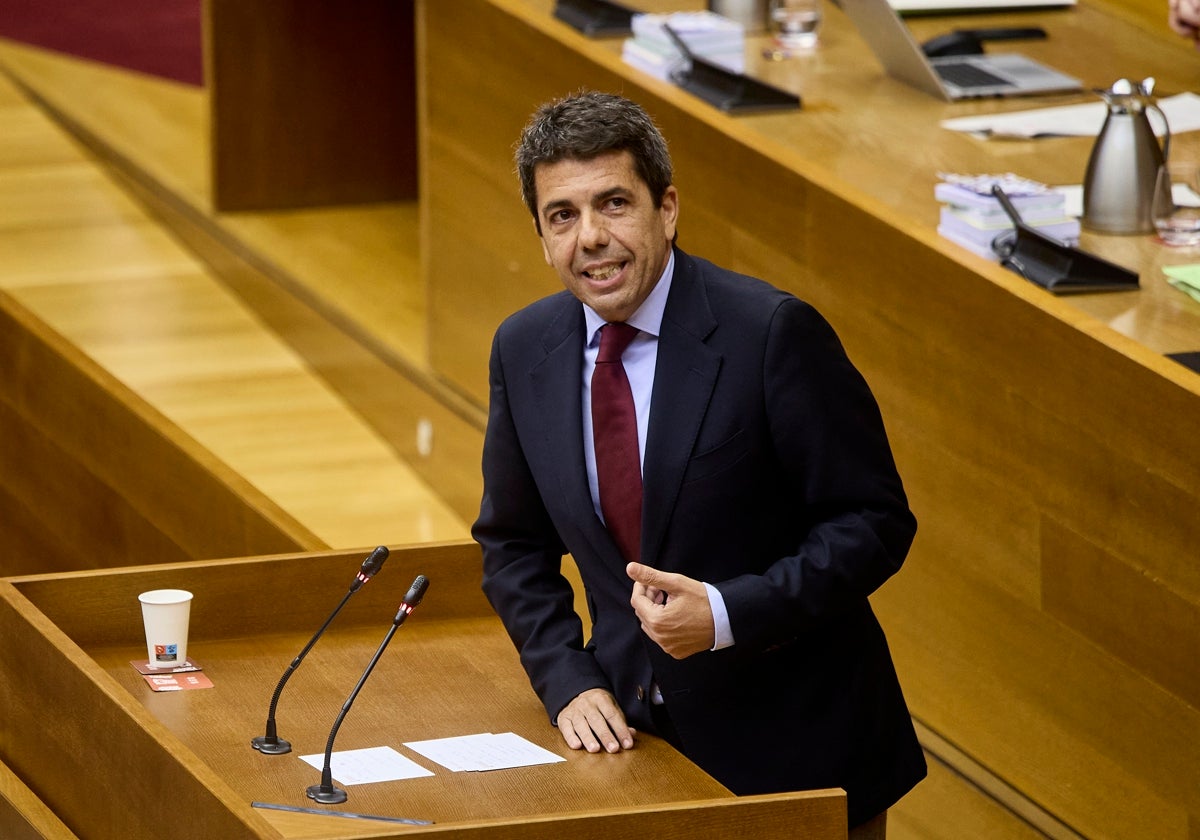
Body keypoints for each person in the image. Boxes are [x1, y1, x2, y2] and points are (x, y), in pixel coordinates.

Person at [472, 90, 925, 835]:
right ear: (541, 235)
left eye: (614, 203)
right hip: (631, 747)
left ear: (668, 208)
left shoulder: (771, 334)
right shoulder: (524, 348)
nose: (590, 237)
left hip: (793, 754)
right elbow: (513, 545)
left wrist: (724, 614)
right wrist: (565, 678)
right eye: (563, 215)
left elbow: (873, 522)